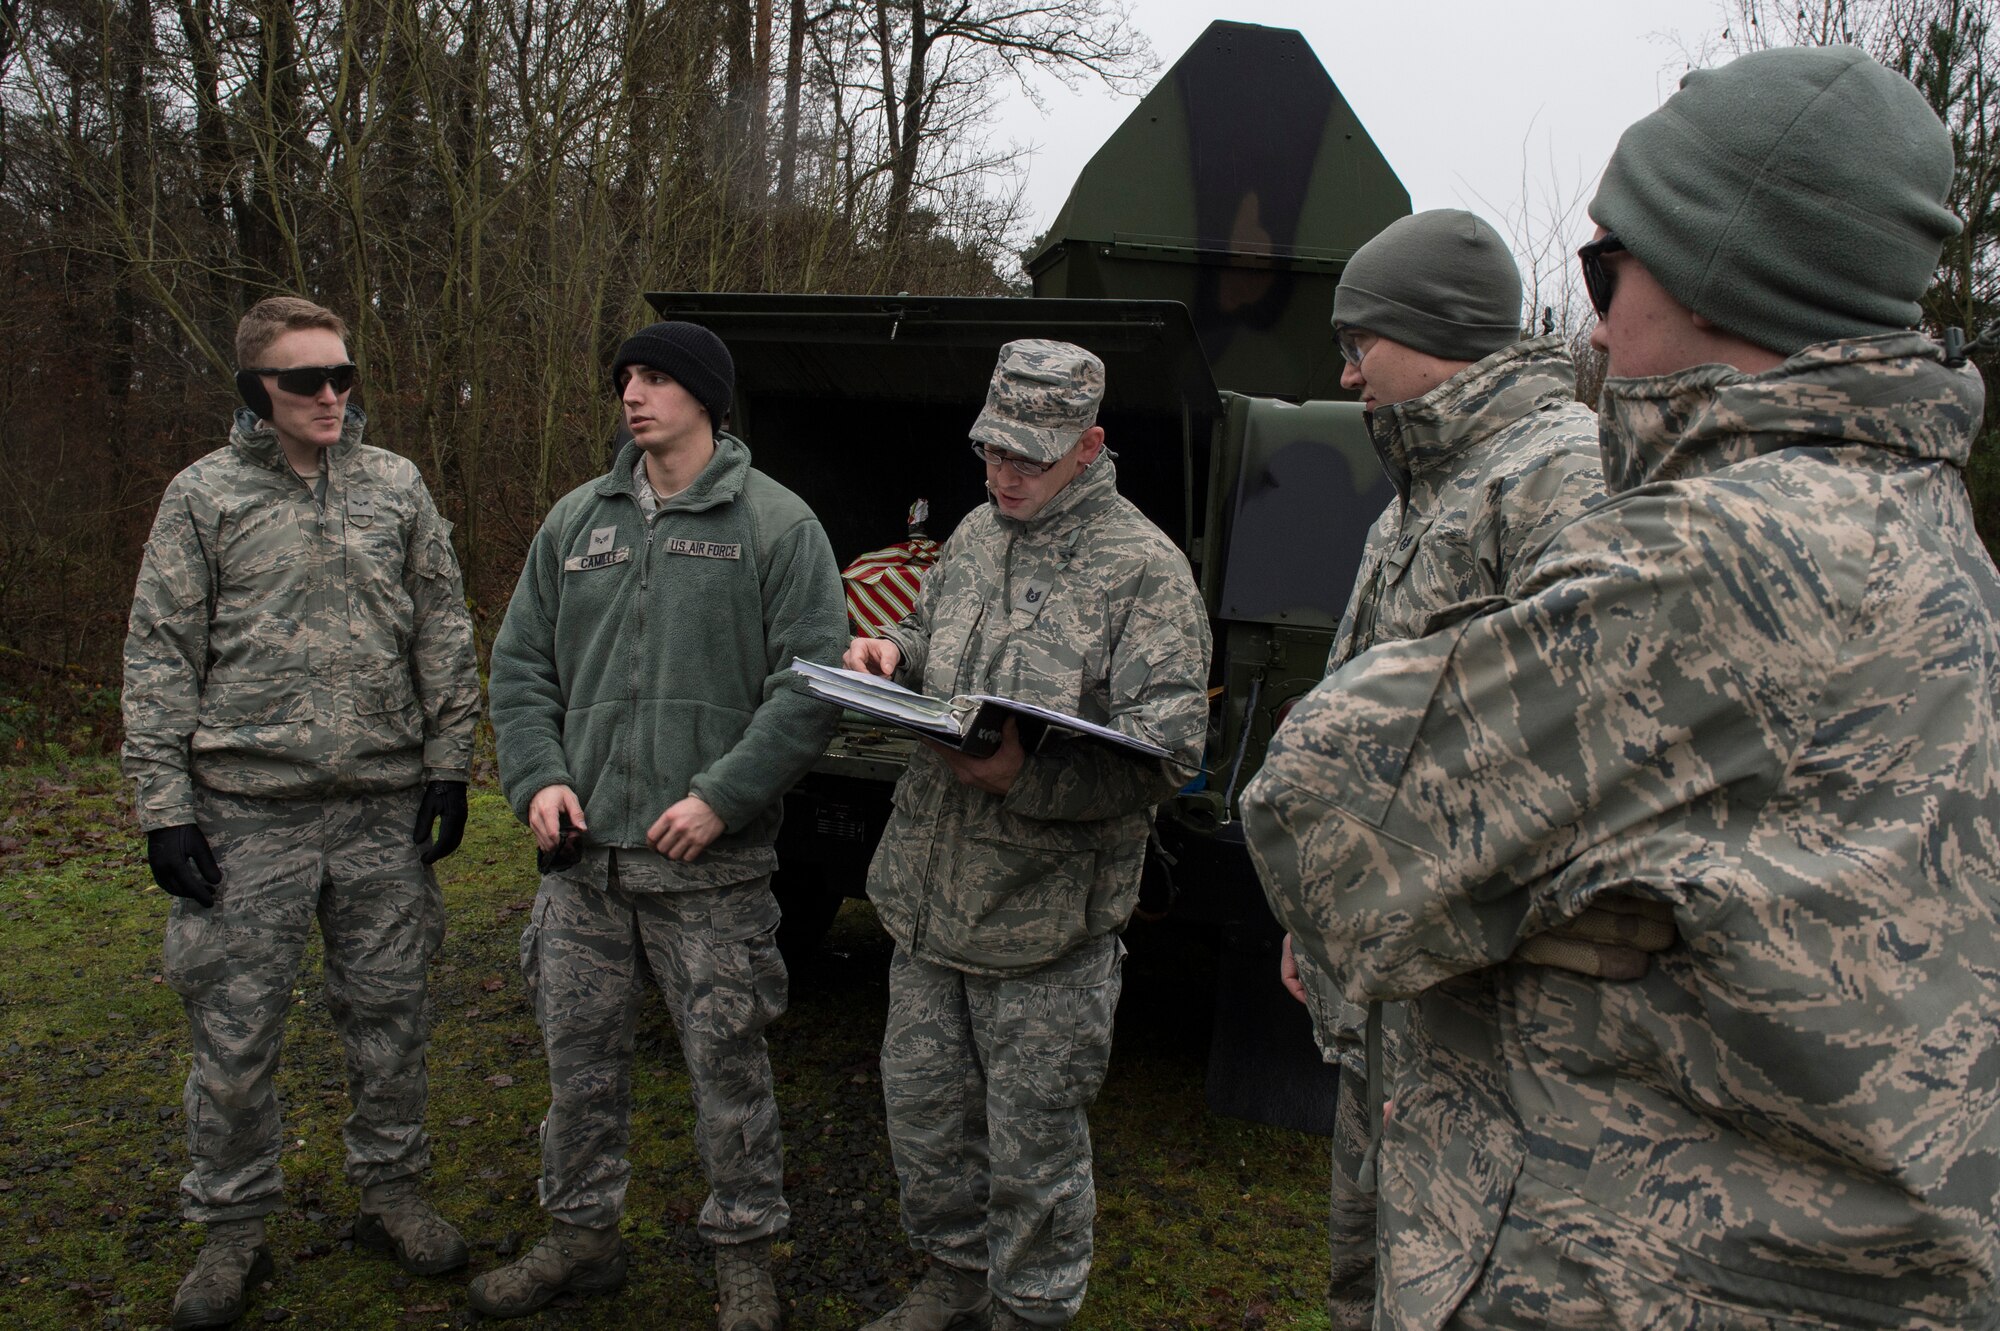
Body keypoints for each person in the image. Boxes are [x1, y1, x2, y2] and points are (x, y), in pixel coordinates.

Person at [1245, 44, 2000, 1329]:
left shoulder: (1722, 548)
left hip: (1638, 1264)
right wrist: (1557, 886)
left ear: (1721, 272)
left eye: (1606, 268)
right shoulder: (1920, 521)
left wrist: (1509, 899)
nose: (1590, 318)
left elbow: (1321, 813)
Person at [1269, 208, 1615, 1329]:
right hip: (1392, 989)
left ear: (1428, 335)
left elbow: (1584, 749)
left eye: (1357, 338)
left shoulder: (1559, 474)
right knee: (1360, 1266)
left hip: (1485, 1013)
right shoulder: (1426, 484)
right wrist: (1317, 914)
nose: (1344, 367)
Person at [122, 295, 481, 1330]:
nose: (330, 395)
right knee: (233, 1039)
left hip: (380, 807)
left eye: (342, 376)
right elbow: (159, 653)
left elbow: (443, 632)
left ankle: (394, 1193)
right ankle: (232, 1227)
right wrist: (163, 809)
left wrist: (449, 767)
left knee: (392, 1017)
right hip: (246, 813)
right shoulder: (202, 498)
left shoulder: (395, 485)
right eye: (304, 381)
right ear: (255, 392)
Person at [478, 321, 847, 1327]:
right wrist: (537, 778)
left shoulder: (774, 525)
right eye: (625, 379)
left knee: (728, 1072)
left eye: (654, 378)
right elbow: (519, 669)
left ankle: (743, 1258)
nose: (632, 395)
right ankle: (579, 1236)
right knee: (577, 1068)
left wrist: (724, 792)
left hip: (709, 871)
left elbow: (809, 684)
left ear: (705, 398)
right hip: (581, 865)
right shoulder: (576, 523)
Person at [843, 340, 1212, 1331]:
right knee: (925, 1128)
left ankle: (1029, 1307)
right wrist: (892, 654)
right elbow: (933, 644)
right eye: (990, 450)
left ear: (1087, 446)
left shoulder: (1143, 570)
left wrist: (1027, 776)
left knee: (1032, 1152)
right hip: (926, 899)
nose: (1003, 473)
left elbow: (1170, 752)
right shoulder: (971, 531)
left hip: (1045, 928)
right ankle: (955, 1275)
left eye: (1028, 456)